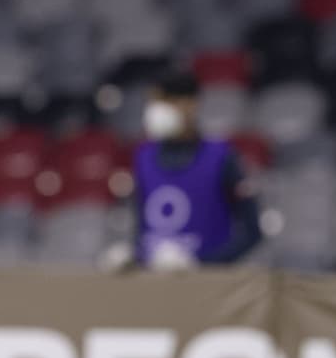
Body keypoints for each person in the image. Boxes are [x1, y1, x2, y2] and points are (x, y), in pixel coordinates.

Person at [108, 70, 262, 271]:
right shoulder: (142, 156)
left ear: (191, 104)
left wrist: (200, 264)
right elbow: (143, 227)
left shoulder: (221, 156)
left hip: (208, 283)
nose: (156, 111)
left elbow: (252, 233)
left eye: (166, 101)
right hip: (155, 282)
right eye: (154, 103)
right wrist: (134, 255)